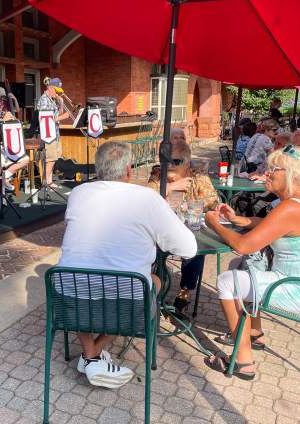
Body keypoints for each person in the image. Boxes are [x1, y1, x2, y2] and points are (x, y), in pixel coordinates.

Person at [58, 141, 197, 388]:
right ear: (129, 170)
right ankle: (93, 357)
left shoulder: (79, 193)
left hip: (69, 301)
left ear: (99, 169)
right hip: (125, 304)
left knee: (80, 277)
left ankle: (90, 354)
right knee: (153, 280)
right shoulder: (148, 198)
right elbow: (188, 248)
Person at [204, 145, 300, 380]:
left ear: (291, 174)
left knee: (227, 280)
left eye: (273, 169)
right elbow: (273, 223)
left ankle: (243, 362)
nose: (266, 172)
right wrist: (237, 219)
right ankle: (254, 332)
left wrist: (215, 224)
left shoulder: (291, 207)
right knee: (238, 266)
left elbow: (243, 245)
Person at [163, 142, 219, 313]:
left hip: (189, 229)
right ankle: (153, 288)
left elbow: (214, 201)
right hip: (162, 230)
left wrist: (190, 204)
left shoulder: (198, 178)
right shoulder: (159, 175)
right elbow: (147, 196)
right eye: (167, 160)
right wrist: (169, 187)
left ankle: (184, 292)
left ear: (187, 163)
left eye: (176, 161)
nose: (170, 165)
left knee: (194, 249)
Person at [36, 77, 70, 189]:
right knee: (50, 159)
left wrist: (60, 102)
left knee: (54, 158)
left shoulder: (52, 99)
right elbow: (47, 120)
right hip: (48, 134)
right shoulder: (44, 100)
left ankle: (49, 181)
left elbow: (58, 114)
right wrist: (64, 117)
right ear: (50, 88)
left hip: (55, 133)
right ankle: (47, 183)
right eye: (56, 89)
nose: (57, 92)